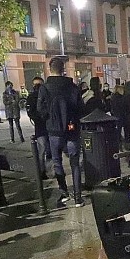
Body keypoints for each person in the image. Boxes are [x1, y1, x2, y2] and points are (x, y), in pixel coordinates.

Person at [38, 57, 84, 207]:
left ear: (50, 69)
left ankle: (64, 192)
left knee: (57, 162)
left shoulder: (45, 87)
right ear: (63, 69)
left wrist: (50, 118)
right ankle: (78, 197)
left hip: (54, 131)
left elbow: (40, 109)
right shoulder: (72, 86)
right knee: (75, 163)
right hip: (72, 130)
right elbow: (80, 108)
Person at [26, 76, 50, 179]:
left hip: (50, 126)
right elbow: (30, 112)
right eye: (36, 85)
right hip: (40, 127)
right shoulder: (31, 97)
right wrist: (40, 118)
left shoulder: (48, 95)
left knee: (50, 150)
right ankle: (42, 171)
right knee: (42, 149)